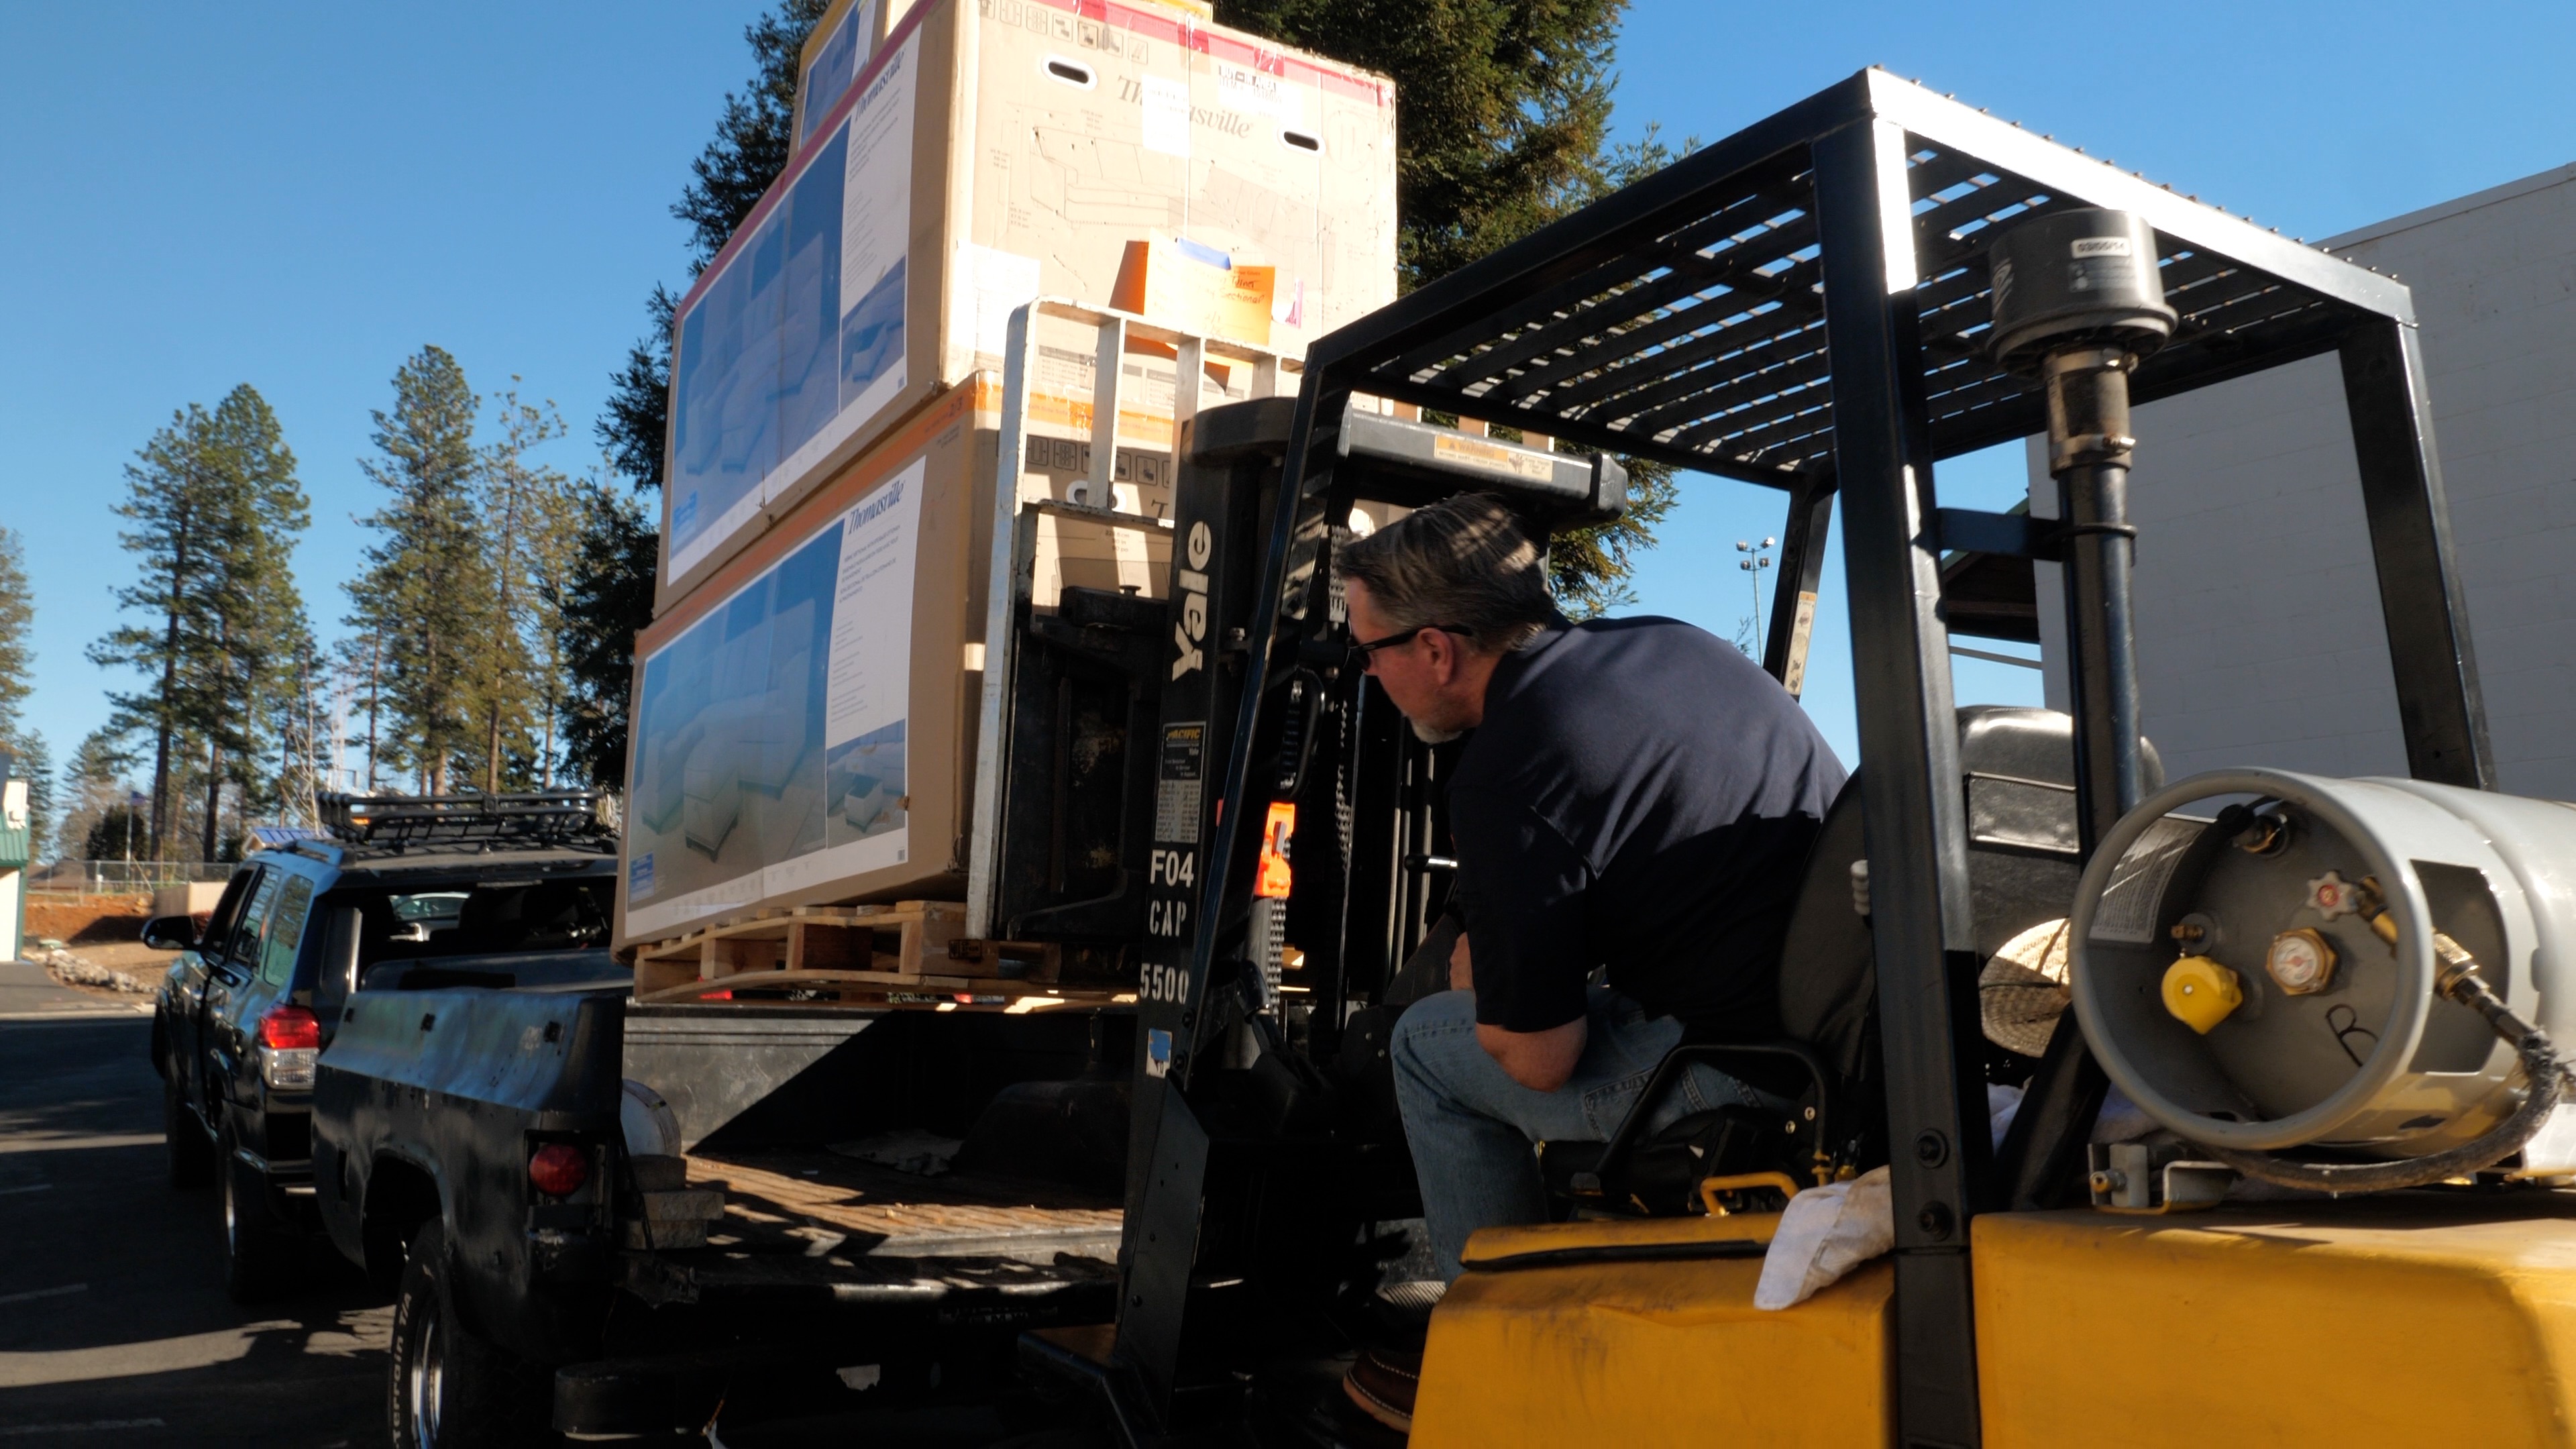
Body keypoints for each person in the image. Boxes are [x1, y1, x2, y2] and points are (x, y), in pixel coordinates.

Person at [1336, 494, 1845, 1432]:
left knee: (1423, 1046)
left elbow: (1538, 1060)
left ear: (1437, 650)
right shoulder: (1679, 645)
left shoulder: (1508, 773)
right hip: (1841, 1035)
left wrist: (1482, 983)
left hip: (1734, 1071)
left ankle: (1497, 1346)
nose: (1368, 673)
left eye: (1372, 652)